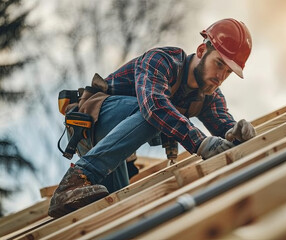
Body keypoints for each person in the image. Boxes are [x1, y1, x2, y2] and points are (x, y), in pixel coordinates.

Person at [48, 18, 256, 218]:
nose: (221, 77)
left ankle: (73, 195)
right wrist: (200, 142)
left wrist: (236, 134)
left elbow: (223, 124)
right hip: (93, 120)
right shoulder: (163, 61)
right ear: (202, 51)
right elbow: (154, 106)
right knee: (159, 112)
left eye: (228, 72)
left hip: (114, 151)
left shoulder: (209, 95)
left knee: (117, 211)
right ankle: (76, 178)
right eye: (219, 64)